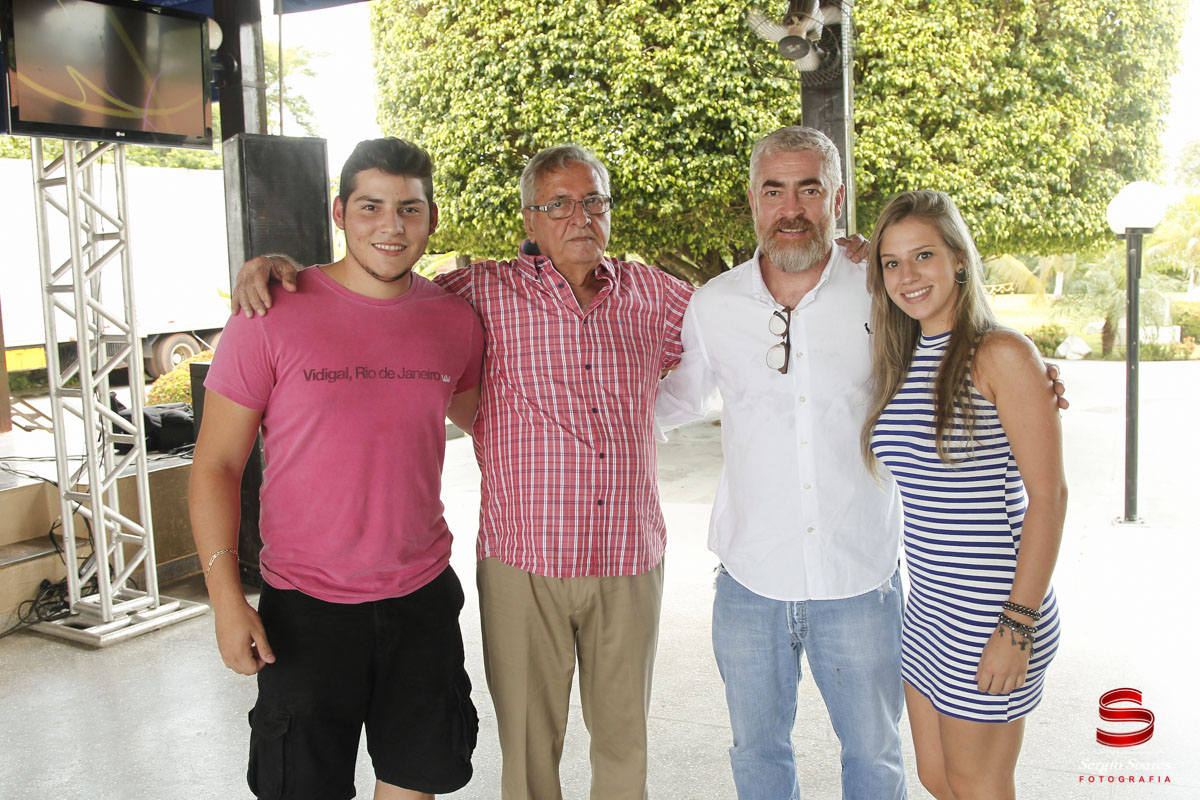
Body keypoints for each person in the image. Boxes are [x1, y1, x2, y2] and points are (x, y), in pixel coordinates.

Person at [230, 144, 695, 800]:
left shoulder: (658, 294)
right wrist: (283, 272)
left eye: (594, 201)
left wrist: (838, 264)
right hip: (520, 559)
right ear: (528, 220)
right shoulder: (476, 293)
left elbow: (741, 317)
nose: (579, 217)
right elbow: (376, 288)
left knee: (624, 745)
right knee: (528, 750)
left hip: (627, 553)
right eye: (557, 205)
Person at [655, 128, 1066, 800]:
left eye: (810, 188)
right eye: (775, 190)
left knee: (877, 760)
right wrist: (595, 419)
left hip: (863, 579)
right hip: (751, 580)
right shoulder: (714, 304)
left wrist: (1029, 374)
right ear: (752, 201)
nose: (792, 206)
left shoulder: (879, 291)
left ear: (837, 198)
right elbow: (679, 399)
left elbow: (963, 338)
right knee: (757, 755)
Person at [190, 137, 484, 800]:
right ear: (340, 213)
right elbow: (216, 464)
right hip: (305, 611)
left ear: (431, 219)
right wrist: (225, 601)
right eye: (372, 206)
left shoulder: (454, 321)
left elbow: (490, 426)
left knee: (414, 781)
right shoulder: (269, 314)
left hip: (420, 601)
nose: (391, 226)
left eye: (409, 209)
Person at [862, 189, 1065, 800]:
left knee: (979, 784)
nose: (907, 275)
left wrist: (1017, 625)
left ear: (958, 258)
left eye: (923, 255)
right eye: (892, 263)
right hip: (926, 608)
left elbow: (1049, 498)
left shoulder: (999, 354)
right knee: (937, 779)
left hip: (993, 610)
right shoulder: (903, 359)